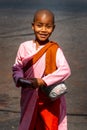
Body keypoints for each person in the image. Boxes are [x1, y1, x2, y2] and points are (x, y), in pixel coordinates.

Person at [12, 9, 71, 130]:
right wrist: (19, 79)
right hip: (28, 94)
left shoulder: (54, 49)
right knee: (28, 123)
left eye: (48, 27)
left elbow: (65, 70)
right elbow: (17, 67)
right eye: (39, 25)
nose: (43, 30)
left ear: (53, 28)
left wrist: (43, 81)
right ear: (33, 26)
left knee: (48, 125)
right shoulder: (24, 47)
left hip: (48, 98)